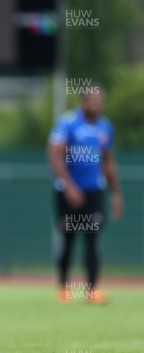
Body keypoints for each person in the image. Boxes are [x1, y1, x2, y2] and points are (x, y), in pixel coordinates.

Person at [48, 88, 123, 304]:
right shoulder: (68, 123)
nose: (96, 104)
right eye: (92, 100)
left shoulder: (105, 127)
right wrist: (70, 187)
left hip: (94, 191)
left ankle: (93, 290)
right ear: (82, 101)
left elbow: (108, 162)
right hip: (67, 191)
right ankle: (63, 286)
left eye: (100, 100)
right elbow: (54, 156)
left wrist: (116, 194)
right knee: (68, 239)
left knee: (92, 238)